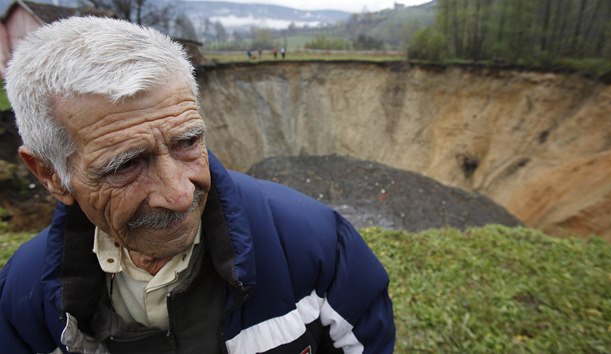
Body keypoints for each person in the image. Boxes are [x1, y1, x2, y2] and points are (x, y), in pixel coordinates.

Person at [0, 17, 395, 354]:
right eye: (126, 165)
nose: (180, 194)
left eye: (187, 141)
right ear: (50, 175)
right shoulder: (23, 299)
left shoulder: (317, 248)